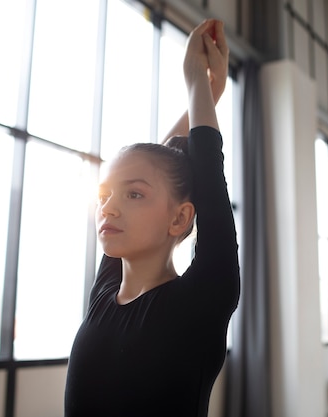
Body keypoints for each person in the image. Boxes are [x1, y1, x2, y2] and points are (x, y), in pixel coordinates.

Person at [64, 19, 240, 417]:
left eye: (134, 195)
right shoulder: (105, 292)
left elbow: (205, 178)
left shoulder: (201, 301)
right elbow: (154, 167)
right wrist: (209, 94)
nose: (108, 208)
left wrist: (197, 83)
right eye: (104, 195)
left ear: (180, 220)